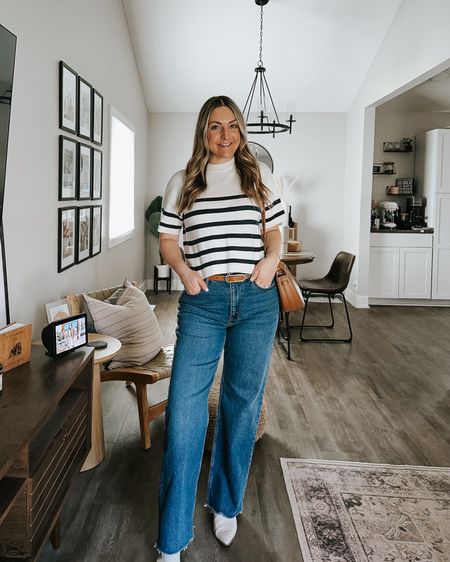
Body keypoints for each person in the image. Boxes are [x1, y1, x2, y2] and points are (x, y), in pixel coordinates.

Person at [156, 95, 284, 561]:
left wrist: (272, 259)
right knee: (185, 408)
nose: (225, 135)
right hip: (202, 300)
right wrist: (185, 273)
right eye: (215, 126)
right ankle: (171, 537)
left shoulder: (260, 176)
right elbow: (168, 238)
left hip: (255, 299)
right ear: (203, 132)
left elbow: (275, 227)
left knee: (241, 403)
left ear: (242, 131)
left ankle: (226, 504)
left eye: (233, 126)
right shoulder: (183, 180)